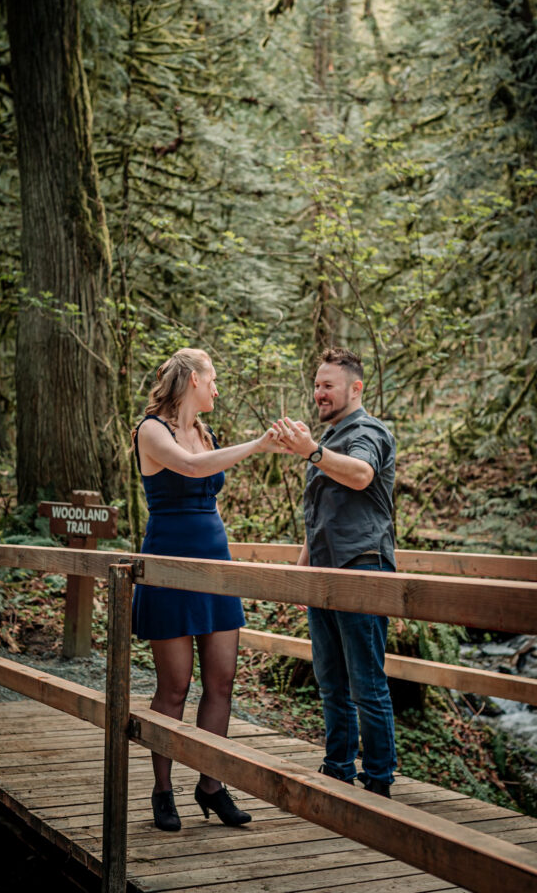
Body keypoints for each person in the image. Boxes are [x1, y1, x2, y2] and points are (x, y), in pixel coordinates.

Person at [131, 347, 281, 832]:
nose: (217, 388)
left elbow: (207, 479)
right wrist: (258, 445)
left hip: (215, 566)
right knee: (174, 687)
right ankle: (162, 790)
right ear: (194, 379)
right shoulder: (152, 430)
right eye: (213, 379)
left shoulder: (205, 433)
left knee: (221, 680)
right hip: (170, 568)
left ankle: (210, 785)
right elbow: (192, 469)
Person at [273, 347, 397, 797]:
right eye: (317, 384)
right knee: (331, 680)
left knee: (366, 680)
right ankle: (338, 767)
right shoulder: (330, 439)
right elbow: (321, 516)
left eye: (328, 385)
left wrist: (312, 450)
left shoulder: (368, 431)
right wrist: (302, 573)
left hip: (362, 568)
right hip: (324, 574)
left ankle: (378, 781)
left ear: (355, 387)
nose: (318, 393)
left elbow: (362, 475)